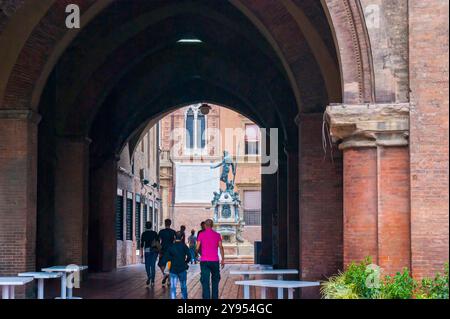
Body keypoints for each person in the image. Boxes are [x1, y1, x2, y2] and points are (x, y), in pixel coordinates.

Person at [196, 219, 225, 299]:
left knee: (205, 281)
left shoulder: (201, 234)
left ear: (205, 225)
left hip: (204, 261)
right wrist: (223, 259)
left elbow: (197, 247)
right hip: (215, 261)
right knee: (215, 281)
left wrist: (197, 255)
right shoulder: (217, 235)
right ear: (212, 226)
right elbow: (221, 247)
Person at [166, 231, 191, 299]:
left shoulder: (171, 246)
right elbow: (189, 256)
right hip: (182, 268)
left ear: (174, 237)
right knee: (183, 286)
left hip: (173, 269)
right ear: (182, 237)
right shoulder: (184, 246)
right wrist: (185, 262)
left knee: (173, 287)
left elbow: (167, 258)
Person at [158, 219, 176, 286]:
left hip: (163, 249)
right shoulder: (173, 232)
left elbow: (157, 242)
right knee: (169, 264)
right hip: (171, 250)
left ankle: (165, 274)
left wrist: (159, 251)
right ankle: (169, 280)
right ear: (170, 224)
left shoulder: (161, 231)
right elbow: (175, 241)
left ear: (165, 223)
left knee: (161, 264)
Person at [140, 221, 159, 286]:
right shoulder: (155, 233)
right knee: (153, 265)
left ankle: (149, 277)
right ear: (151, 226)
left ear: (145, 226)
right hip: (154, 251)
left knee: (147, 265)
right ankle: (153, 281)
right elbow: (158, 243)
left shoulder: (144, 234)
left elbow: (142, 244)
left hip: (147, 250)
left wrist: (141, 254)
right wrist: (159, 252)